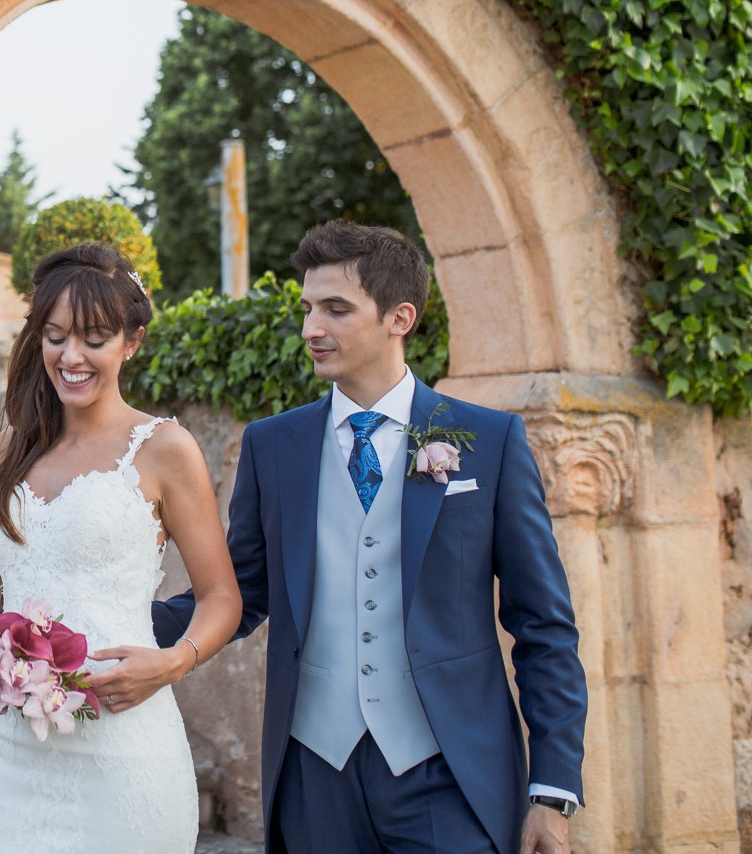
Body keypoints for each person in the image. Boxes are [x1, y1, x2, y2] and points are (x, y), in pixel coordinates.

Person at [96, 220, 585, 854]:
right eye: (306, 308)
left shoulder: (488, 443)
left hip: (450, 776)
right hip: (313, 775)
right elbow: (241, 591)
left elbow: (544, 625)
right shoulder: (274, 446)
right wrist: (102, 627)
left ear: (399, 318)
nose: (310, 329)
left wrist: (553, 790)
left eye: (335, 309)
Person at [0, 242, 242, 853]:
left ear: (131, 343)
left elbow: (222, 597)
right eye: (56, 335)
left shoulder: (165, 448)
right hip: (20, 753)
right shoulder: (12, 449)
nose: (71, 356)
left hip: (126, 747)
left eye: (94, 337)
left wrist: (175, 661)